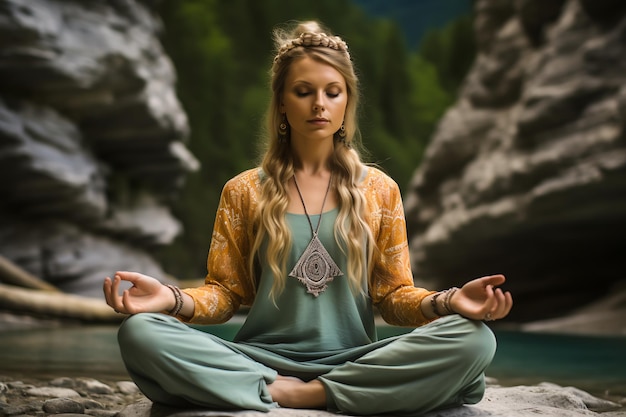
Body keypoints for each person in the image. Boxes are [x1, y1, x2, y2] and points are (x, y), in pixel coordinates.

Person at [103, 20, 513, 416]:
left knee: (473, 339)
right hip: (259, 357)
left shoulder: (379, 190)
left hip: (355, 357)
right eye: (303, 91)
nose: (319, 104)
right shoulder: (243, 190)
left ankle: (301, 394)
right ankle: (315, 390)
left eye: (333, 92)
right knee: (140, 333)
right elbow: (226, 295)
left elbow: (393, 299)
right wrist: (172, 299)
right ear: (282, 101)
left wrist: (447, 301)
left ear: (347, 100)